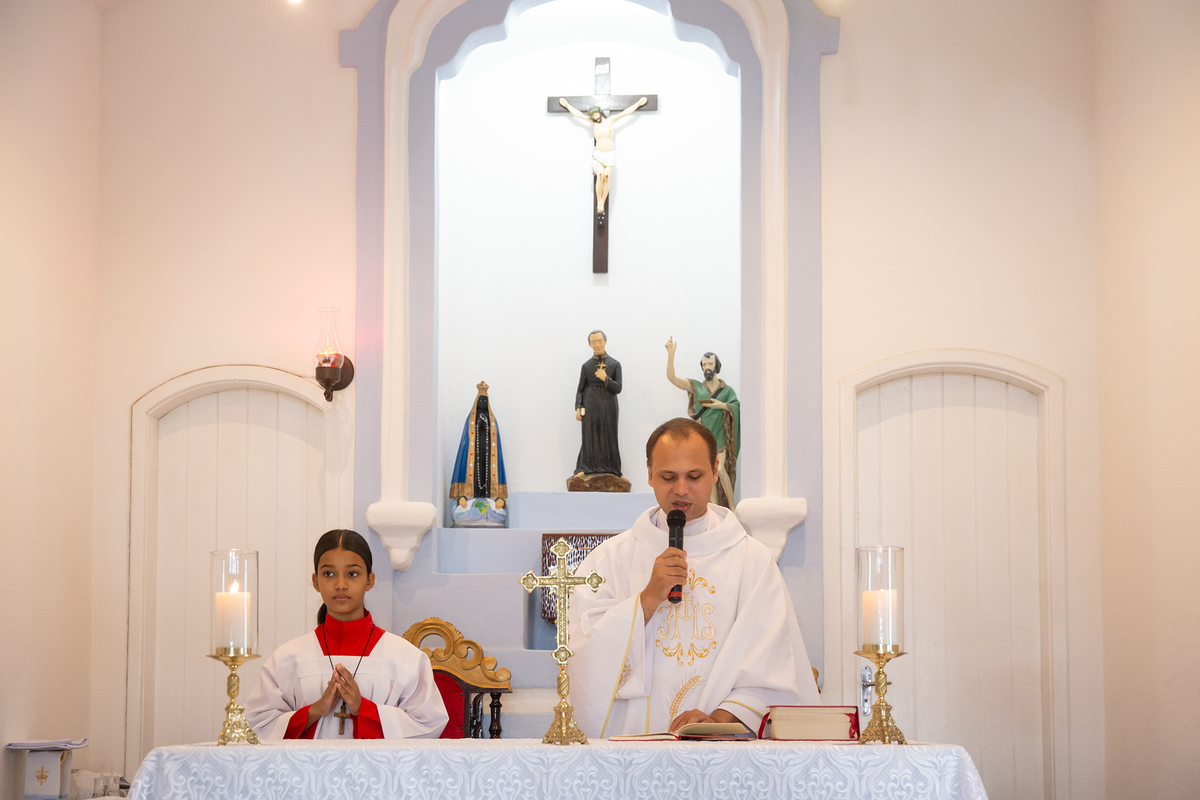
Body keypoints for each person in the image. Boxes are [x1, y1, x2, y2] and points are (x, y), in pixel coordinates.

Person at [566, 418, 818, 738]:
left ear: (715, 470)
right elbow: (583, 654)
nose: (681, 490)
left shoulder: (752, 562)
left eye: (694, 476)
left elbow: (770, 667)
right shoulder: (609, 560)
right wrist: (645, 601)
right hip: (629, 755)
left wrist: (719, 718)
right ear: (648, 473)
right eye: (668, 477)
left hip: (717, 757)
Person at [243, 530, 448, 739]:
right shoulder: (287, 659)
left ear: (370, 580)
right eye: (329, 574)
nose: (340, 584)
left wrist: (363, 709)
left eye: (352, 574)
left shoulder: (405, 658)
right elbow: (258, 724)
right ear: (315, 581)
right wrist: (315, 711)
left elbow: (429, 724)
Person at [665, 337, 740, 507]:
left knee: (720, 470)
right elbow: (672, 378)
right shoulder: (697, 387)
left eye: (710, 364)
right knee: (709, 474)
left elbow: (736, 407)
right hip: (704, 439)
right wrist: (671, 355)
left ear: (716, 366)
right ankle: (713, 507)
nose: (707, 367)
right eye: (704, 365)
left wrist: (721, 405)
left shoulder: (726, 390)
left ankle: (732, 507)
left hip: (721, 437)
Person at [558, 96, 647, 222]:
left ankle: (602, 200)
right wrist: (566, 105)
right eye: (592, 116)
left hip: (609, 153)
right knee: (599, 175)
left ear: (599, 112)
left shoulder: (610, 120)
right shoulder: (593, 124)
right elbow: (578, 115)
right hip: (599, 153)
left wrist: (638, 103)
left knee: (606, 177)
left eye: (595, 114)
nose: (594, 117)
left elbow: (625, 113)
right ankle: (599, 202)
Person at [574, 329, 623, 477]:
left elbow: (618, 388)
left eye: (599, 341)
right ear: (590, 344)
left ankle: (613, 471)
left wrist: (605, 378)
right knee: (589, 435)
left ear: (605, 342)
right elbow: (580, 390)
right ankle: (585, 468)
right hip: (590, 406)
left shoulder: (615, 364)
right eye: (593, 342)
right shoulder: (586, 366)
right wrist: (578, 407)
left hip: (609, 406)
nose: (597, 345)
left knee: (609, 435)